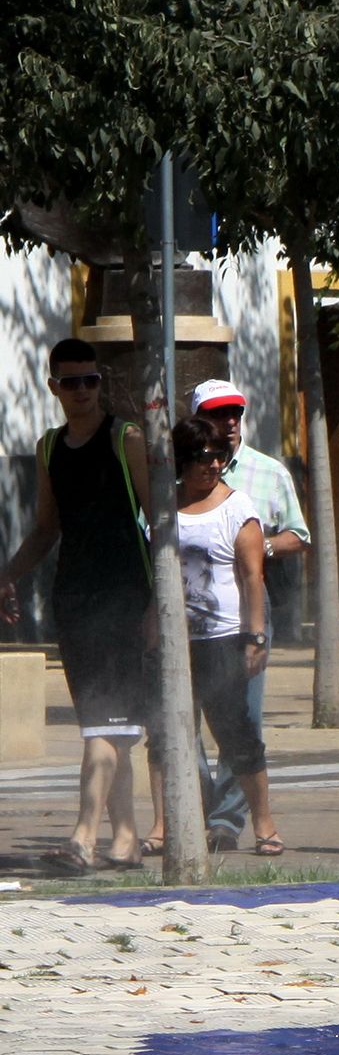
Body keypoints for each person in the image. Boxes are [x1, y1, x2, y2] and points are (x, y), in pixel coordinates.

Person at [0, 340, 154, 870]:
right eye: (72, 382)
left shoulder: (124, 438)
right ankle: (127, 839)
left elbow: (160, 521)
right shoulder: (49, 448)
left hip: (125, 597)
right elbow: (47, 528)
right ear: (54, 387)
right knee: (107, 725)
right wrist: (8, 576)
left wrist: (160, 604)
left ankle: (83, 838)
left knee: (104, 724)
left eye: (91, 380)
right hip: (74, 600)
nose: (83, 391)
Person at [187, 379, 309, 847]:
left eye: (236, 413)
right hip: (191, 617)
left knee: (241, 718)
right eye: (219, 414)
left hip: (246, 612)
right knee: (181, 718)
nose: (230, 422)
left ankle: (228, 819)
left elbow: (298, 535)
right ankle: (193, 803)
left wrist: (256, 549)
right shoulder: (174, 482)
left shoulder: (267, 473)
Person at [165, 421, 280, 855]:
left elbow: (253, 576)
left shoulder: (237, 507)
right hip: (179, 640)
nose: (212, 465)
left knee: (236, 733)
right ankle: (182, 822)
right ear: (181, 461)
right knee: (172, 732)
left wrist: (255, 636)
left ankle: (264, 824)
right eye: (201, 457)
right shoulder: (167, 506)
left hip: (225, 636)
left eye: (218, 456)